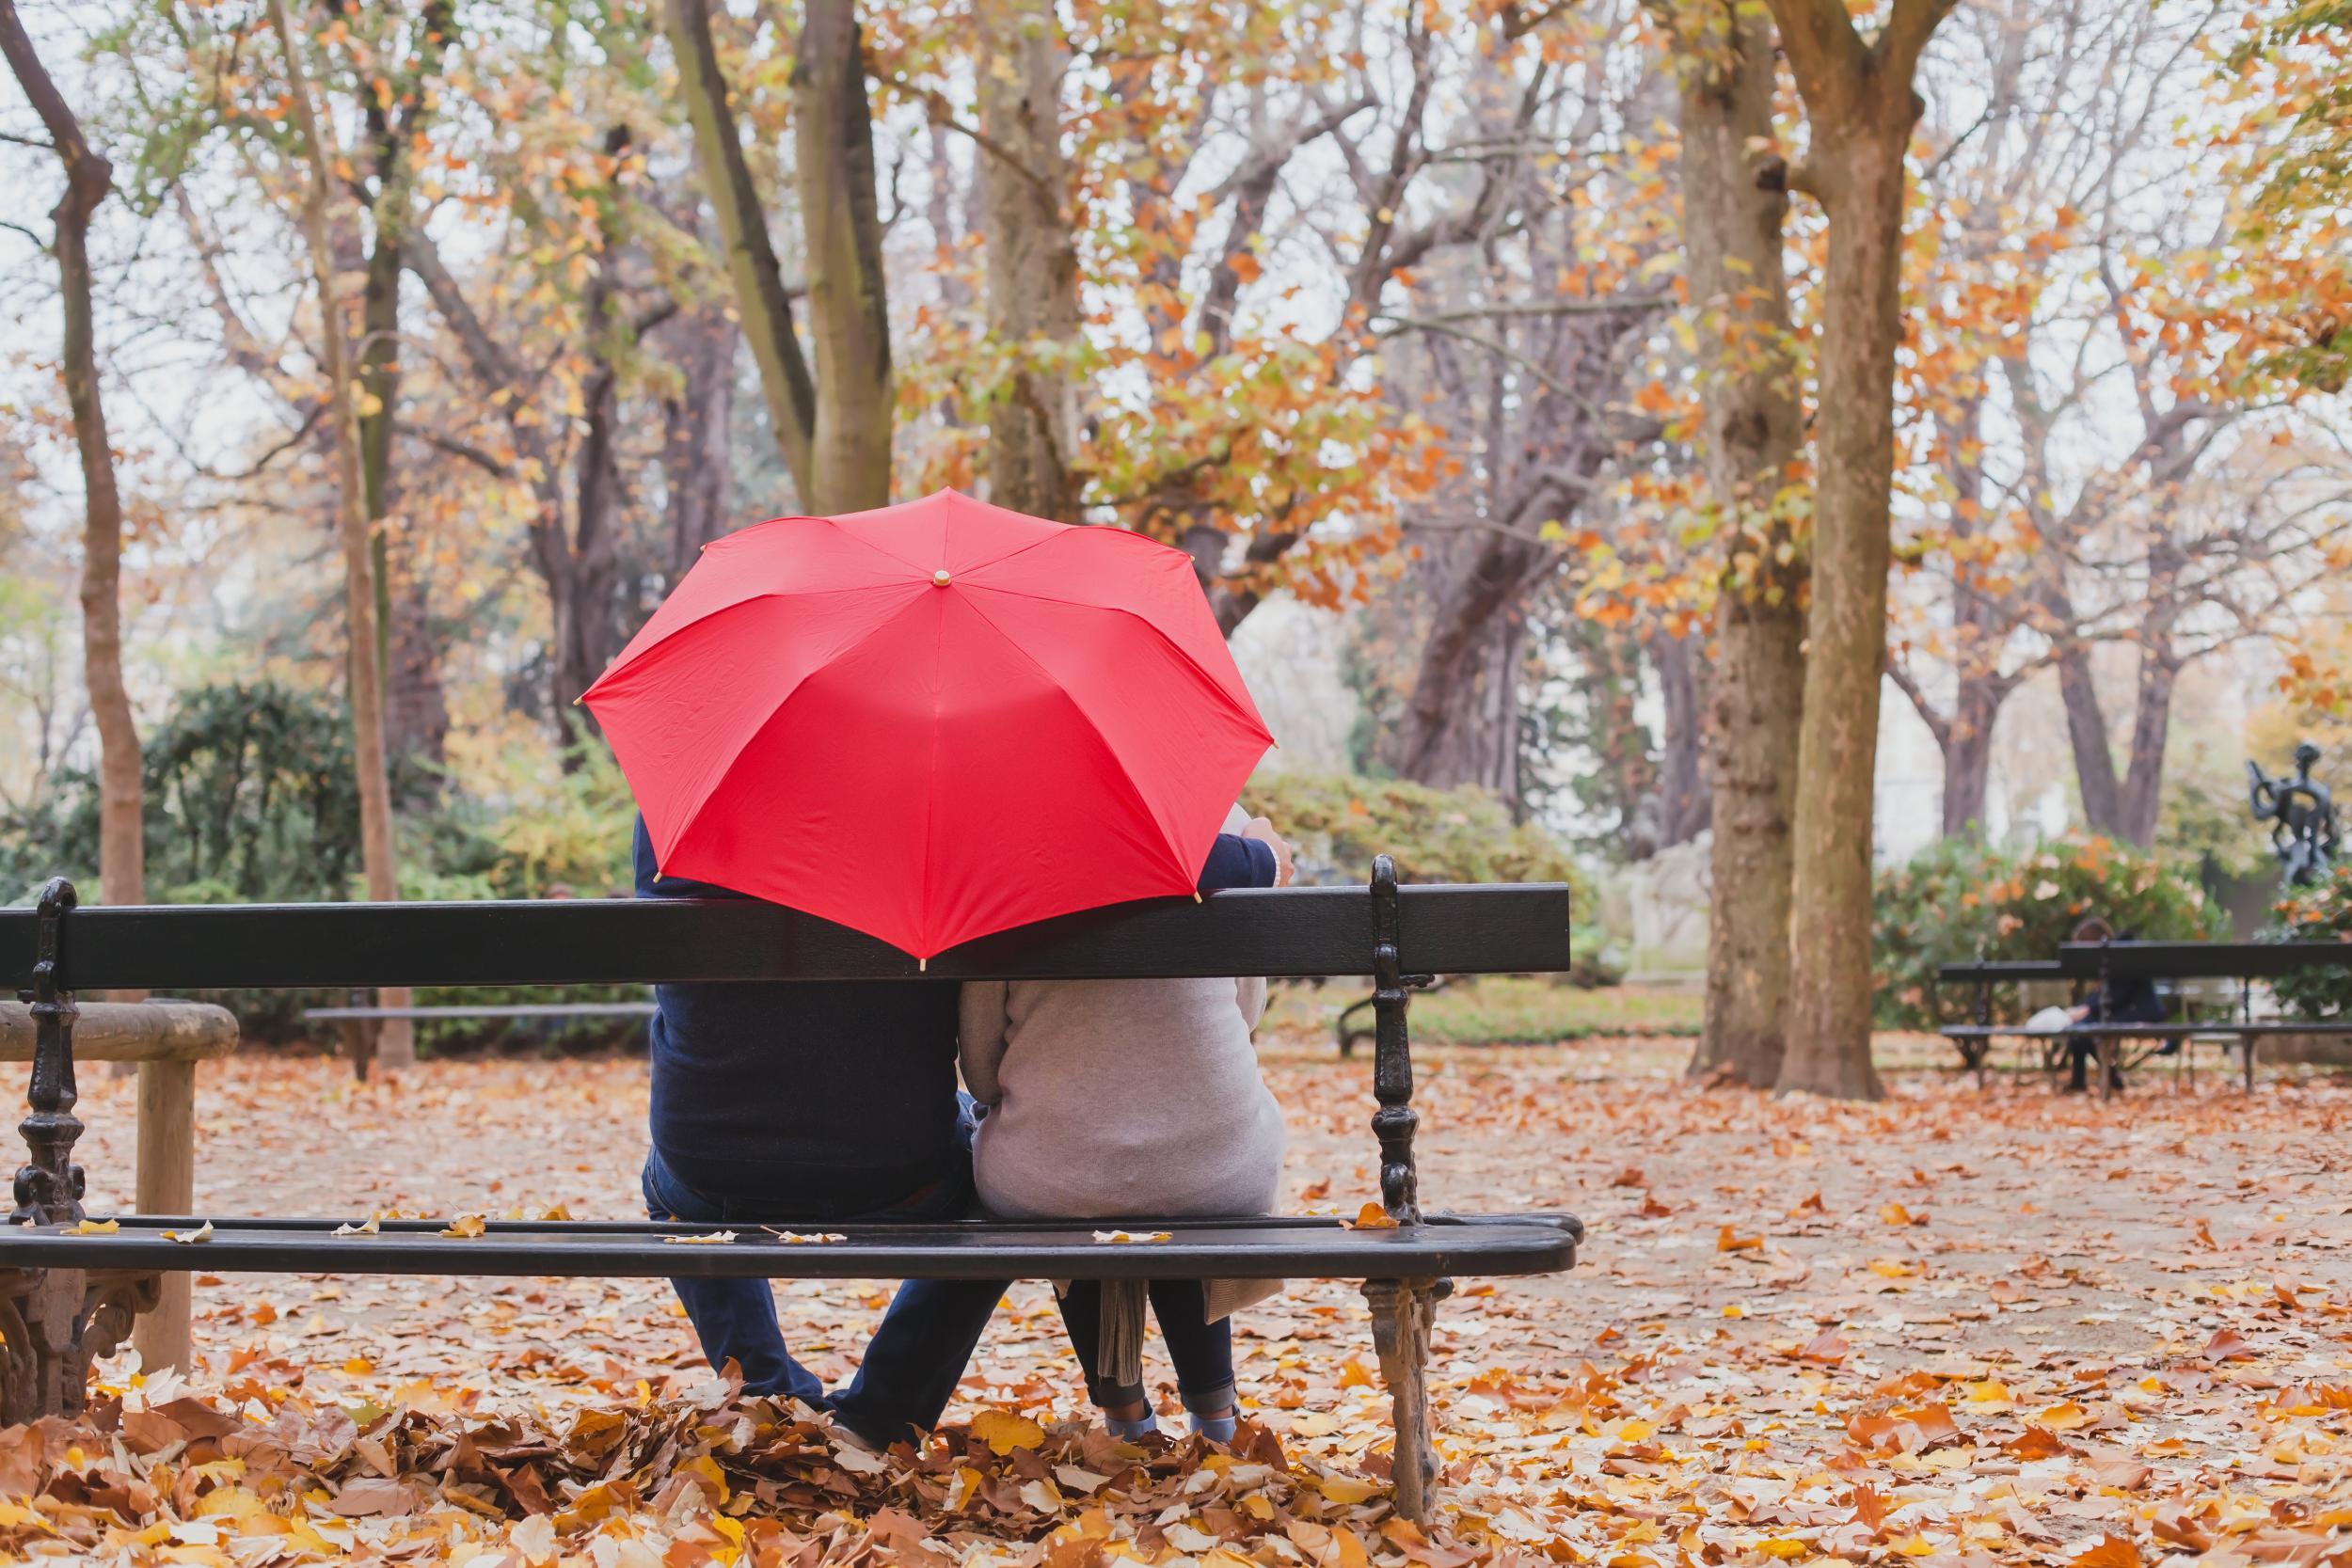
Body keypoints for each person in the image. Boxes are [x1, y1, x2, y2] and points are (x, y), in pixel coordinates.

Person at [635, 812, 1291, 1449]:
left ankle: (763, 1390)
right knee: (985, 1186)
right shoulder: (925, 796)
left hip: (709, 1162)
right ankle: (883, 1411)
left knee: (667, 1180)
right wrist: (1256, 857)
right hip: (895, 1171)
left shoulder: (678, 805)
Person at [957, 804, 1292, 1444]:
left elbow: (980, 1069)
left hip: (1049, 1178)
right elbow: (1245, 1016)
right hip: (1219, 1170)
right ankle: (1216, 1411)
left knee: (1071, 1157)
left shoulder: (999, 849)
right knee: (1182, 1158)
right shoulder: (1218, 828)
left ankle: (1126, 1413)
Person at [2060, 915, 2168, 1093]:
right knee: (2081, 1029)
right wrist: (2085, 1007)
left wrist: (2086, 1008)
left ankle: (2104, 1078)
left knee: (2084, 1029)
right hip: (2130, 1010)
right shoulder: (2118, 954)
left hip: (2140, 1012)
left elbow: (2118, 994)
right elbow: (2110, 995)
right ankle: (2102, 1078)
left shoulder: (2120, 955)